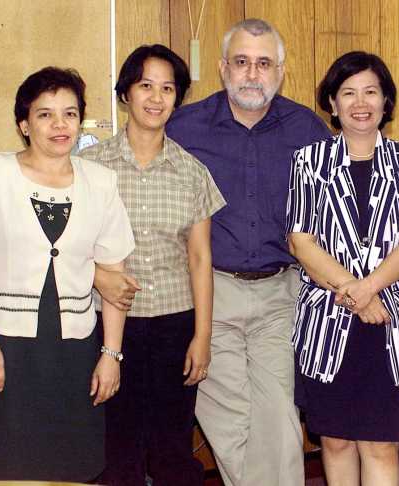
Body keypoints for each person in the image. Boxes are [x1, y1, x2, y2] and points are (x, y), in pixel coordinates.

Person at [165, 18, 331, 486]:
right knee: (228, 421)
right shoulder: (184, 127)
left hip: (280, 293)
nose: (252, 74)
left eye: (263, 63)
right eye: (241, 62)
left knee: (278, 417)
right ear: (223, 68)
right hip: (210, 293)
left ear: (280, 71)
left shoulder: (307, 129)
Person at [0, 67, 134, 481]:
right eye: (45, 114)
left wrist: (111, 355)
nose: (59, 124)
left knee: (72, 466)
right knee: (4, 467)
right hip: (2, 349)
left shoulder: (101, 183)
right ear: (24, 124)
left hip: (74, 350)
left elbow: (114, 278)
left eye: (70, 114)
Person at [287, 50, 399, 486]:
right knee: (334, 442)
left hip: (388, 319)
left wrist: (369, 289)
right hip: (328, 319)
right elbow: (301, 241)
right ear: (332, 104)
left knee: (381, 444)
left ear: (386, 100)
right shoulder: (308, 161)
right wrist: (356, 293)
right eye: (348, 93)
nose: (360, 102)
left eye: (371, 91)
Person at [81, 44, 225, 486]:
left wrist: (202, 336)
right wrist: (98, 276)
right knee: (115, 447)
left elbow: (200, 259)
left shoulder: (192, 171)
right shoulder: (88, 166)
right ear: (126, 93)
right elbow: (67, 248)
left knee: (172, 448)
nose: (156, 98)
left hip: (172, 325)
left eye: (167, 88)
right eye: (146, 85)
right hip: (106, 325)